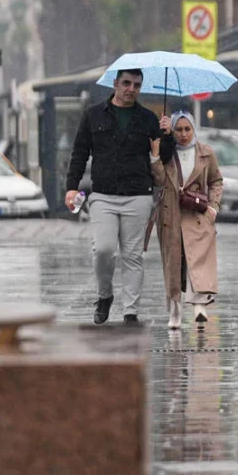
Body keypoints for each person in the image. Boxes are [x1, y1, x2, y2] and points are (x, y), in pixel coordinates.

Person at [64, 69, 164, 326]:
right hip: (103, 195)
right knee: (104, 250)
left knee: (133, 255)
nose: (132, 89)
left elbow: (164, 156)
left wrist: (168, 133)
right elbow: (79, 153)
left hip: (139, 195)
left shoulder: (148, 118)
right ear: (116, 84)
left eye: (137, 85)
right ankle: (104, 295)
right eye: (127, 83)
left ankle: (131, 311)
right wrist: (71, 187)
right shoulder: (94, 114)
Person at [150, 111, 223, 330]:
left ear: (193, 129)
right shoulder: (167, 152)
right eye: (179, 129)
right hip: (170, 214)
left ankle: (200, 305)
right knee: (174, 263)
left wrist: (213, 208)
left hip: (198, 214)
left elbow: (216, 180)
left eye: (187, 129)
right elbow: (160, 180)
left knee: (197, 259)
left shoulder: (206, 153)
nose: (183, 134)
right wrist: (156, 155)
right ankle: (175, 310)